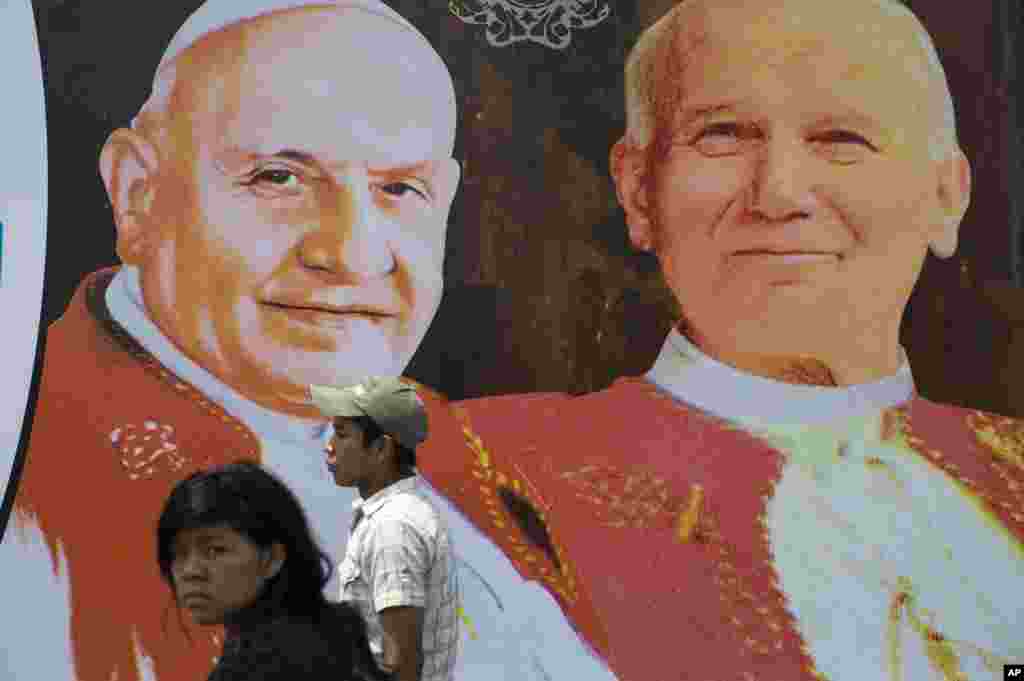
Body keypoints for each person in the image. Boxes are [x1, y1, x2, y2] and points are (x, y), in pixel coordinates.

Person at [0, 2, 616, 680]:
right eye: (279, 177)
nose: (353, 254)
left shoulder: (442, 444)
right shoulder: (35, 489)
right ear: (138, 194)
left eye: (399, 188)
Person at [410, 0, 1024, 679]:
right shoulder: (474, 477)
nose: (780, 194)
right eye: (724, 135)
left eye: (842, 139)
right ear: (640, 190)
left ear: (946, 194)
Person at [157, 461, 388, 681]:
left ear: (272, 559)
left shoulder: (271, 663)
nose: (190, 571)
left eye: (215, 550)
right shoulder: (337, 633)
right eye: (179, 554)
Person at [309, 377, 458, 681]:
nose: (329, 447)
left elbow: (402, 664)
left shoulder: (392, 528)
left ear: (380, 449)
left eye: (341, 434)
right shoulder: (396, 515)